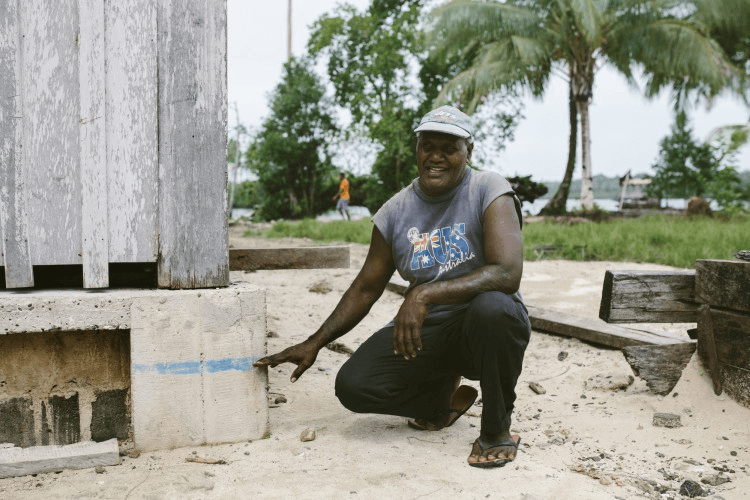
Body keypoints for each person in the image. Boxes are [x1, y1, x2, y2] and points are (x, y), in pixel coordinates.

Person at [254, 105, 530, 468]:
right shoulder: (395, 211)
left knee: (493, 307)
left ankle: (496, 429)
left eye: (449, 149)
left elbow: (507, 272)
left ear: (469, 151)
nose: (436, 157)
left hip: (487, 327)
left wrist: (424, 293)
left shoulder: (488, 189)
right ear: (416, 150)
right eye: (427, 146)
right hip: (430, 330)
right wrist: (314, 342)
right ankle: (439, 401)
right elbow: (366, 288)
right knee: (354, 386)